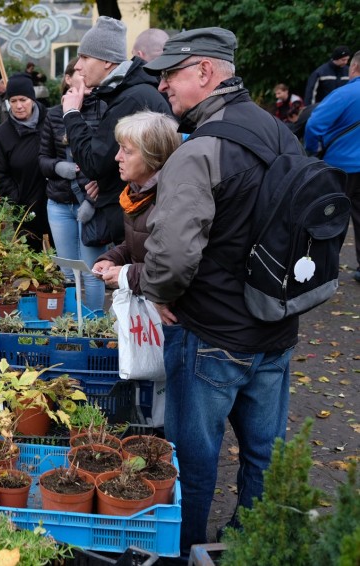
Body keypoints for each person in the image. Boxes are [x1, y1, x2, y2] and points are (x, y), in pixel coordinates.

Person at [140, 27, 306, 560]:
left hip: (210, 333)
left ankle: (185, 549)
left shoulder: (201, 150)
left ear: (205, 72)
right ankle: (254, 543)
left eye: (171, 74)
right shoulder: (283, 136)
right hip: (275, 329)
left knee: (195, 456)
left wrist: (158, 293)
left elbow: (171, 251)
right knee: (264, 453)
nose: (163, 85)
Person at [61, 16, 172, 312]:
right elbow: (113, 161)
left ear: (108, 62)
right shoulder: (129, 93)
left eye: (84, 57)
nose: (79, 66)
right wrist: (108, 180)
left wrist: (71, 114)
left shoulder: (131, 97)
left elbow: (95, 161)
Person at [92, 110, 181, 290]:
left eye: (127, 151)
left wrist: (126, 274)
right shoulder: (135, 193)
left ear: (154, 157)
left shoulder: (172, 200)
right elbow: (138, 245)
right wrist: (112, 258)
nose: (117, 157)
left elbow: (173, 268)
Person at [38, 58, 106, 282]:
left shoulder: (104, 110)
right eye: (79, 72)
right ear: (68, 79)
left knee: (92, 272)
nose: (85, 76)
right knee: (67, 271)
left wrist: (92, 201)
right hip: (58, 202)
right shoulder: (54, 114)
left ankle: (95, 318)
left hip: (91, 203)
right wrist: (58, 166)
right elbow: (42, 159)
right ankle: (72, 318)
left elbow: (109, 163)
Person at [305, 50, 360, 283]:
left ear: (355, 68)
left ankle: (325, 269)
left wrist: (312, 150)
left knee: (331, 216)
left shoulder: (344, 94)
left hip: (341, 167)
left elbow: (315, 124)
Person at [0, 72, 50, 251]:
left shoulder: (50, 121)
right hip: (25, 209)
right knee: (32, 260)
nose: (18, 106)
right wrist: (16, 198)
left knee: (62, 259)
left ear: (32, 99)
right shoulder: (3, 134)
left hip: (55, 202)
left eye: (23, 99)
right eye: (13, 101)